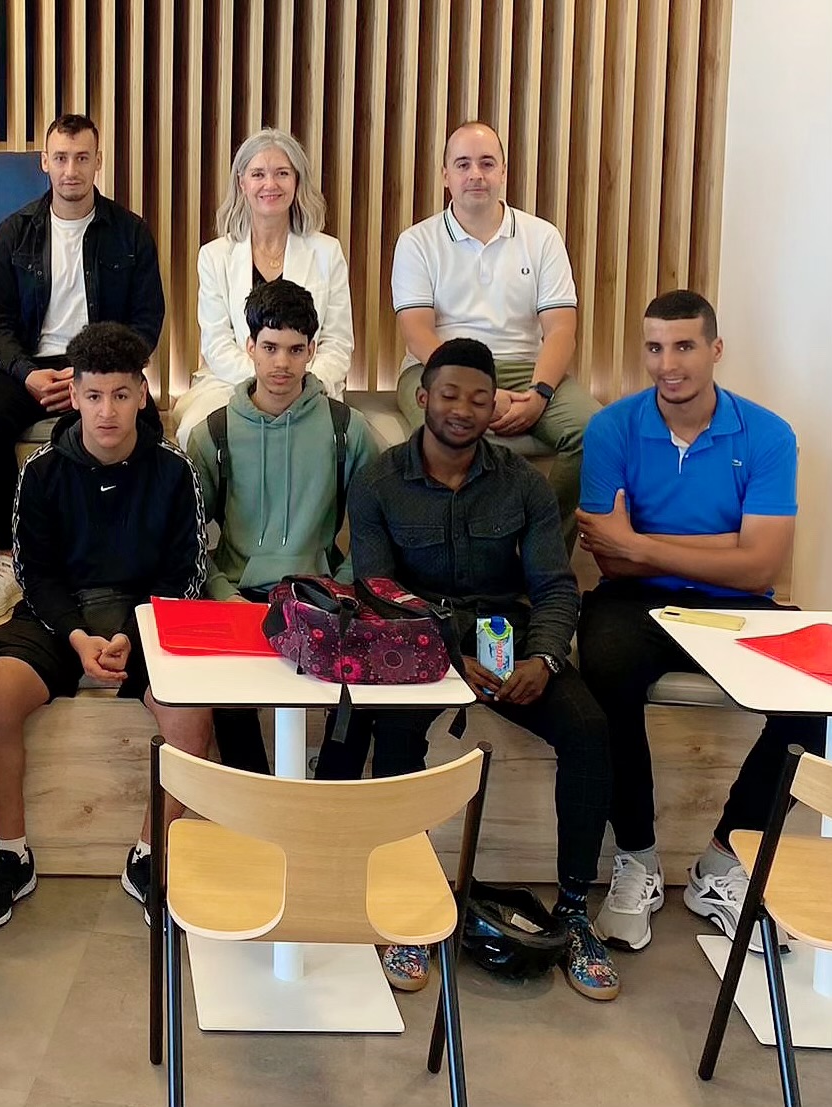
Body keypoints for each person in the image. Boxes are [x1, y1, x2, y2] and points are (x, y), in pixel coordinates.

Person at [313, 337, 618, 1001]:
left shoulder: (524, 484)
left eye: (479, 399)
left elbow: (555, 585)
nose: (463, 409)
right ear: (423, 397)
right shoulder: (379, 482)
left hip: (505, 636)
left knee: (590, 729)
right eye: (449, 394)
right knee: (395, 731)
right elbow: (378, 590)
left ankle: (573, 911)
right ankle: (404, 901)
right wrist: (449, 654)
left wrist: (543, 656)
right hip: (416, 639)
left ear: (493, 407)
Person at [576, 289, 818, 956]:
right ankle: (637, 859)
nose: (668, 363)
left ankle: (724, 860)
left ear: (715, 349)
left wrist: (643, 542)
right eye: (655, 347)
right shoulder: (612, 428)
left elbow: (761, 563)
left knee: (816, 700)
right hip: (635, 601)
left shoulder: (768, 434)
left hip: (735, 605)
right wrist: (725, 547)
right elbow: (609, 557)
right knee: (605, 669)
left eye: (683, 346)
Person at [0, 322, 212, 929]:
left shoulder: (174, 470)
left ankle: (149, 854)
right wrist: (78, 636)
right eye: (95, 395)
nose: (108, 411)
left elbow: (185, 573)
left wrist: (131, 631)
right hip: (60, 616)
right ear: (73, 395)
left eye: (122, 395)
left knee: (192, 710)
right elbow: (35, 573)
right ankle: (12, 855)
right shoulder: (41, 471)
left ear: (142, 394)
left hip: (146, 617)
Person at [0, 112, 166, 619]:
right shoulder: (15, 232)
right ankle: (10, 557)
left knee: (147, 423)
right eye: (61, 158)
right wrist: (26, 373)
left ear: (99, 162)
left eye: (82, 158)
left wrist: (95, 377)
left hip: (104, 363)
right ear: (44, 162)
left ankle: (134, 554)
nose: (71, 170)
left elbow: (147, 320)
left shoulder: (130, 232)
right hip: (34, 365)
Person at [185, 279, 378, 774]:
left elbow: (376, 525)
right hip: (240, 593)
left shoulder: (347, 429)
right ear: (249, 346)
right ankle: (256, 798)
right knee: (225, 695)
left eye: (295, 350)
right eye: (270, 347)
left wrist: (347, 586)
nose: (282, 364)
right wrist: (222, 594)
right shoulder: (213, 433)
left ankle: (329, 793)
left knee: (363, 690)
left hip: (324, 593)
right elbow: (189, 539)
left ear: (312, 351)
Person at [392, 121, 601, 542]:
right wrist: (481, 394)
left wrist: (540, 393)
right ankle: (469, 555)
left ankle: (542, 547)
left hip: (525, 368)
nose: (476, 174)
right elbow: (417, 333)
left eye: (487, 163)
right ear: (445, 175)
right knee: (445, 431)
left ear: (503, 171)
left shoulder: (542, 237)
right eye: (463, 164)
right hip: (439, 368)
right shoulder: (417, 242)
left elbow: (562, 329)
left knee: (595, 432)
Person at [173, 128, 354, 446]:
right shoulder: (215, 256)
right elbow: (217, 344)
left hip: (310, 383)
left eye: (282, 173)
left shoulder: (328, 252)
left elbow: (338, 341)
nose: (270, 184)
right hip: (231, 382)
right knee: (195, 432)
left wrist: (302, 382)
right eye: (258, 174)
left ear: (296, 181)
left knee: (336, 438)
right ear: (242, 182)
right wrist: (266, 382)